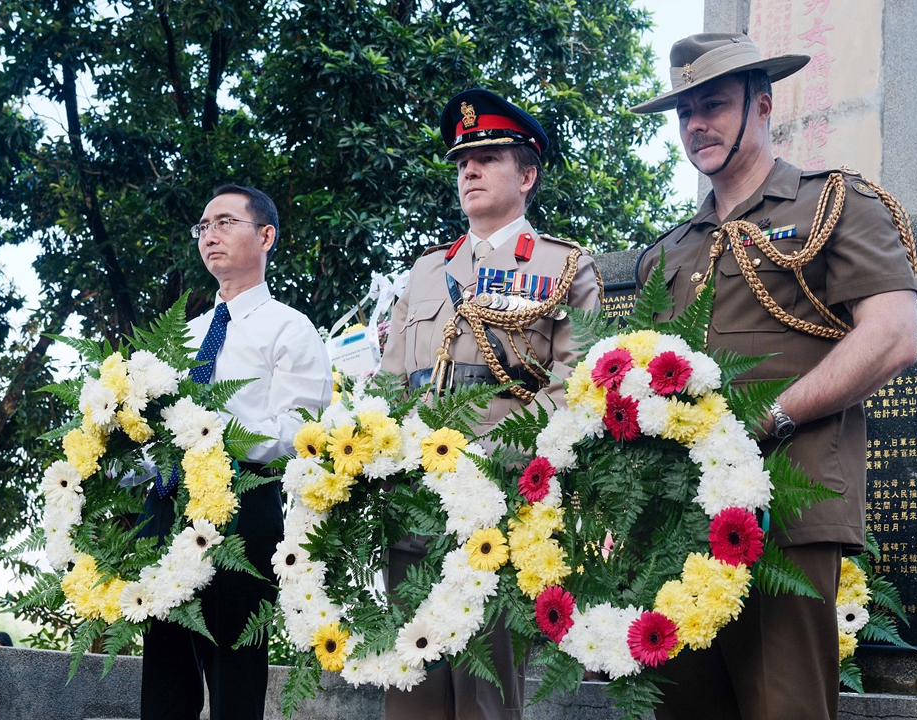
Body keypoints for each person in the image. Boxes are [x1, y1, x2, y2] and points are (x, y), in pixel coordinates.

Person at [631, 34, 917, 720]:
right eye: (685, 111)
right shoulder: (669, 251)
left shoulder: (833, 204)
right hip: (678, 527)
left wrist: (770, 417)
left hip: (784, 515)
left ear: (762, 107)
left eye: (715, 104)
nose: (696, 122)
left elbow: (893, 336)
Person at [380, 88, 602, 719]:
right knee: (411, 683)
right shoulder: (424, 273)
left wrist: (490, 463)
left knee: (485, 694)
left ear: (527, 174)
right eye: (461, 163)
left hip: (500, 500)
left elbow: (572, 388)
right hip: (414, 498)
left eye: (487, 158)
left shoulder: (564, 267)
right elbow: (391, 385)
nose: (468, 171)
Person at [139, 185, 334, 720]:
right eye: (203, 226)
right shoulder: (187, 335)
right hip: (169, 510)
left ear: (266, 236)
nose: (210, 235)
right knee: (163, 680)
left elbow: (300, 432)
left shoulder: (290, 328)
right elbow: (159, 427)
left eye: (225, 222)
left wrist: (212, 430)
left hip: (244, 509)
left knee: (235, 683)